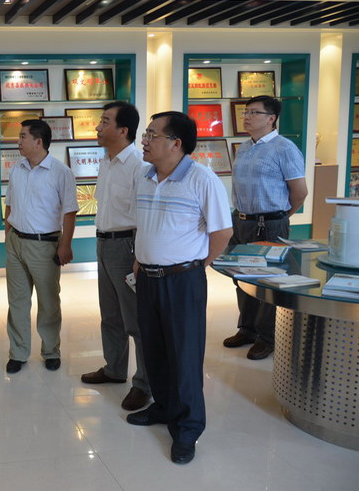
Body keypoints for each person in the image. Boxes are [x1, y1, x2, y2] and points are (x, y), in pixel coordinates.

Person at [127, 111, 232, 465]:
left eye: (151, 135)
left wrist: (198, 265)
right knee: (155, 349)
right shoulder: (144, 176)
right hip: (148, 277)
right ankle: (164, 406)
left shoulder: (202, 180)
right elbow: (144, 225)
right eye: (145, 134)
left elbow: (222, 232)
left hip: (183, 280)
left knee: (184, 355)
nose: (144, 141)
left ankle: (188, 427)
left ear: (176, 143)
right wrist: (141, 258)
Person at [223, 96, 307, 360]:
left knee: (268, 280)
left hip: (269, 225)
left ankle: (267, 337)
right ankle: (247, 329)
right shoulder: (244, 147)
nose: (246, 117)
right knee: (241, 277)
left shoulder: (285, 148)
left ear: (271, 119)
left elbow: (300, 192)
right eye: (245, 112)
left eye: (254, 112)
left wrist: (279, 218)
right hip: (242, 221)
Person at [80, 102, 151, 411]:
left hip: (127, 247)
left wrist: (140, 255)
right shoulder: (107, 162)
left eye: (105, 121)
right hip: (104, 243)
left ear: (123, 130)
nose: (97, 127)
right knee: (110, 315)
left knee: (136, 320)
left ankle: (144, 384)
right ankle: (114, 369)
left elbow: (144, 215)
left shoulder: (139, 164)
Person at [4, 119, 78, 373]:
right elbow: (9, 205)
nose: (18, 141)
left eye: (22, 136)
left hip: (44, 245)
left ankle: (50, 351)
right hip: (16, 242)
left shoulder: (60, 172)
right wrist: (8, 234)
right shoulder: (18, 169)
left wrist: (65, 245)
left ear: (38, 141)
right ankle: (18, 352)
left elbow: (69, 212)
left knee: (48, 303)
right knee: (17, 302)